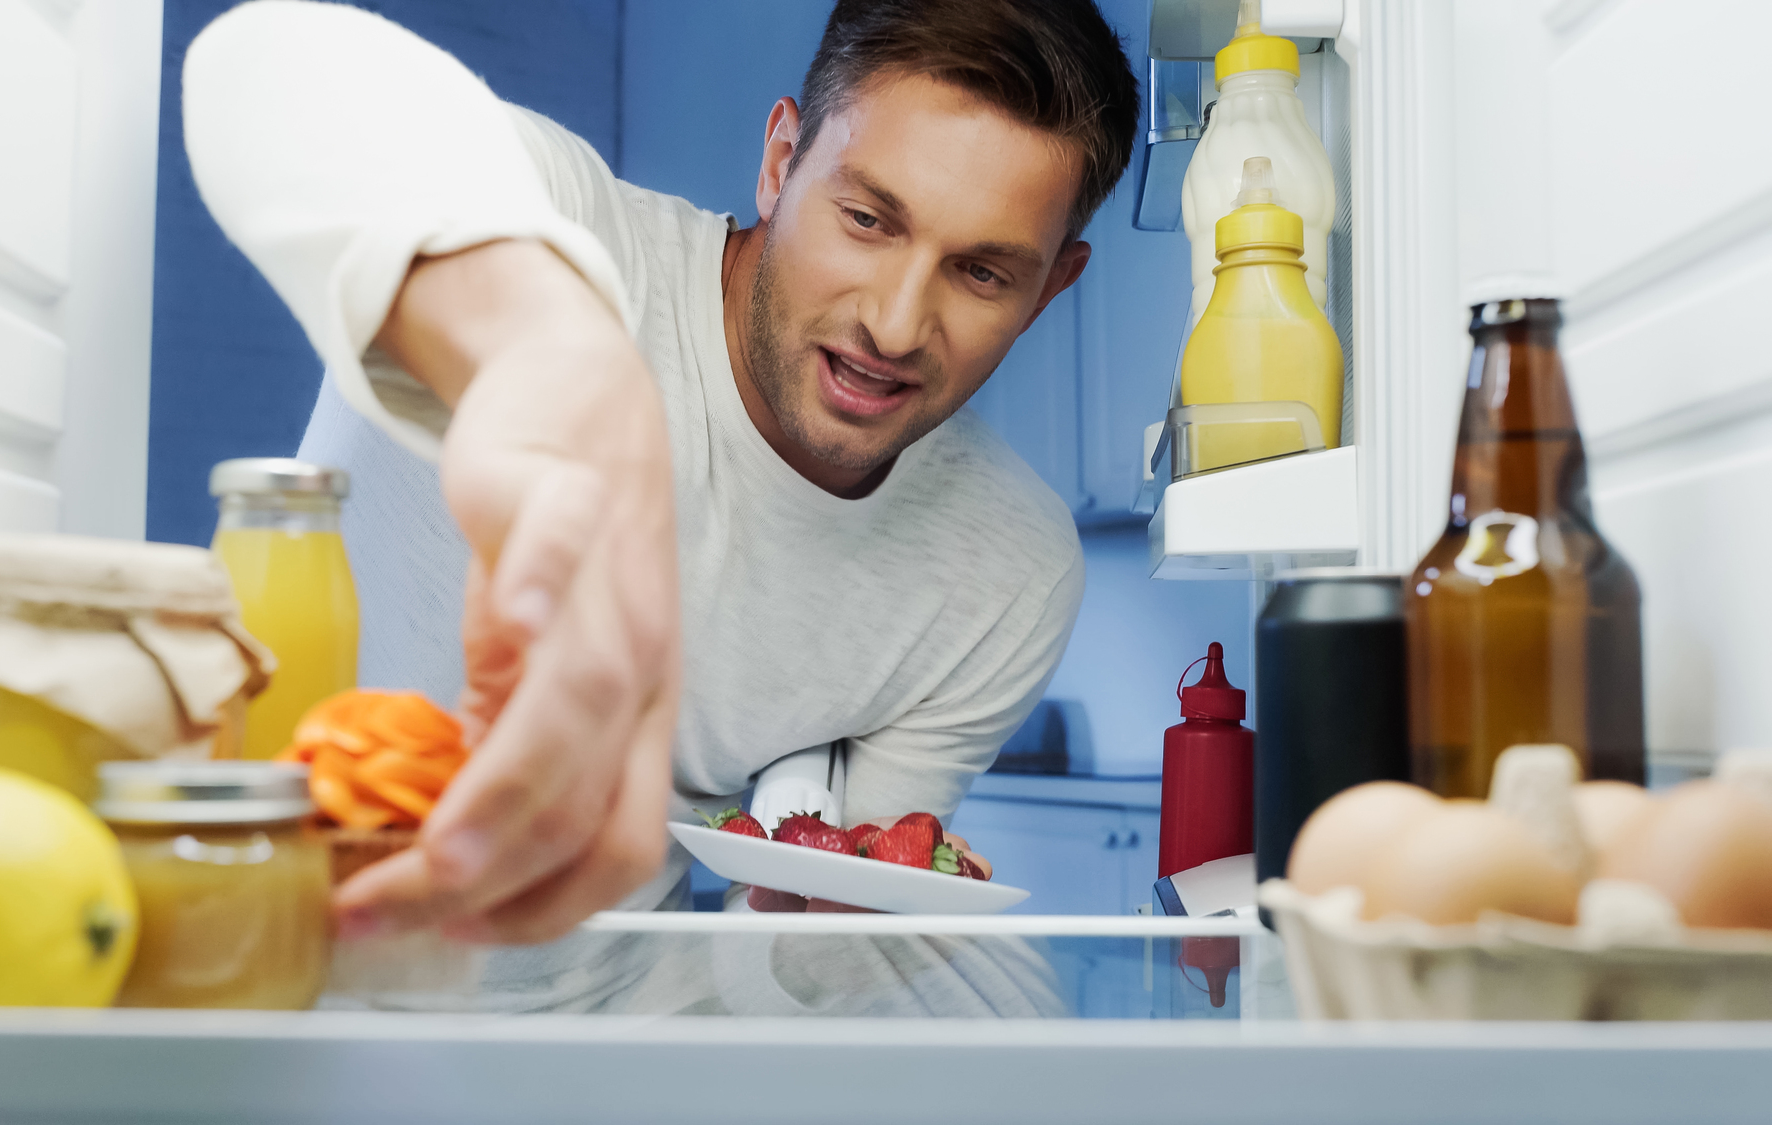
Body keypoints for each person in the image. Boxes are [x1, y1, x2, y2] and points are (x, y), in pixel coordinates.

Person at [184, 0, 1139, 946]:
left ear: (1053, 286)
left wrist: (816, 945)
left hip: (597, 1046)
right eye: (866, 219)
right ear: (780, 162)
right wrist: (533, 355)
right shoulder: (571, 235)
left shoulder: (1007, 571)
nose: (893, 323)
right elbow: (260, 67)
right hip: (258, 949)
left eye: (981, 274)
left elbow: (789, 962)